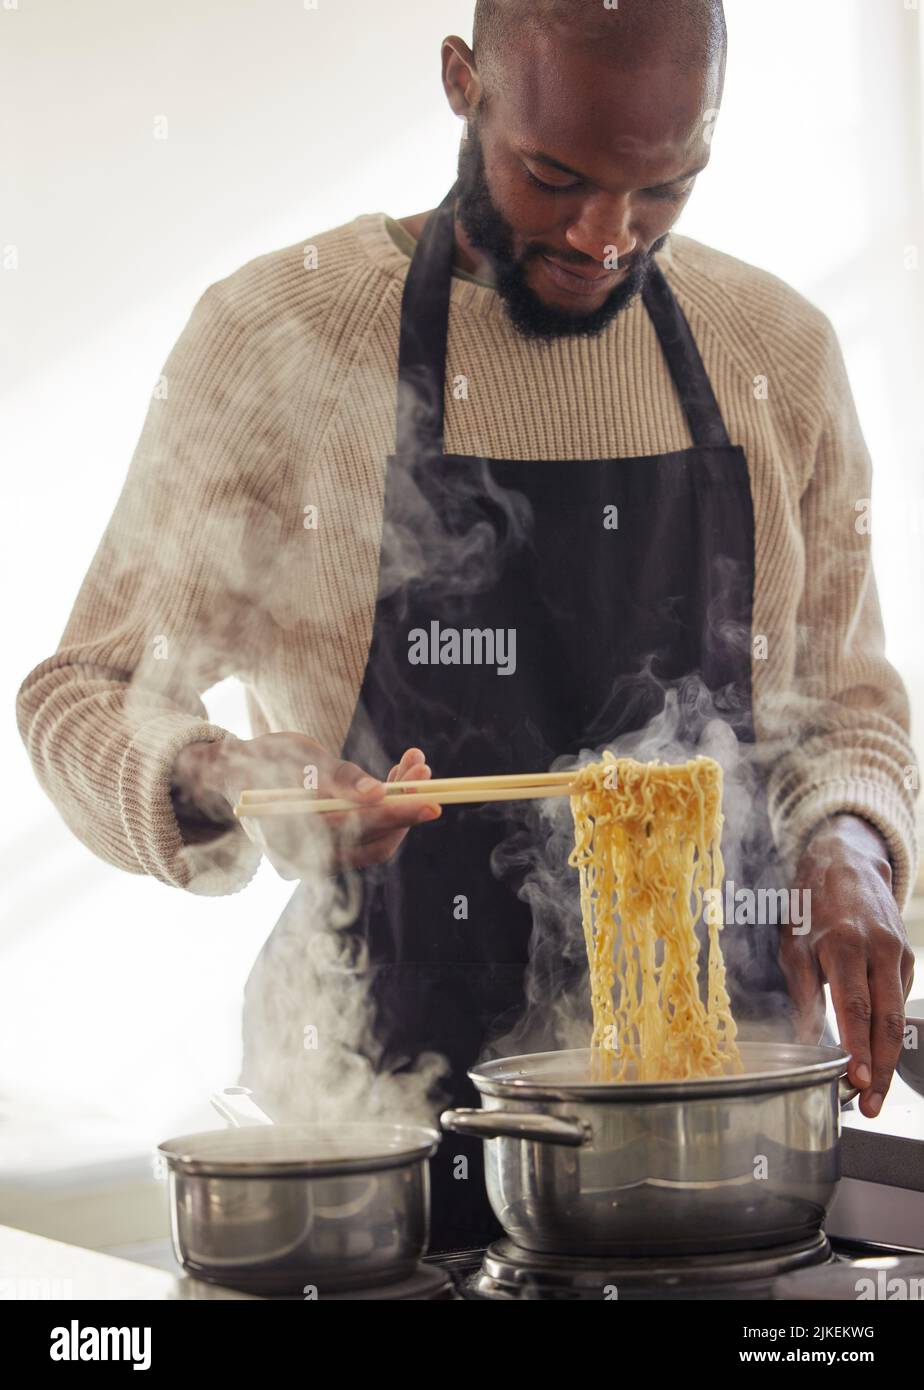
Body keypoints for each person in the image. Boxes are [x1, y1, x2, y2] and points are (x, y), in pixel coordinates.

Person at [17, 0, 917, 1253]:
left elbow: (844, 708)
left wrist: (856, 845)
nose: (608, 238)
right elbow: (80, 693)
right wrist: (219, 771)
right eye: (556, 176)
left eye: (667, 187)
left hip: (714, 1135)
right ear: (463, 82)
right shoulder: (280, 339)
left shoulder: (777, 350)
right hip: (376, 1127)